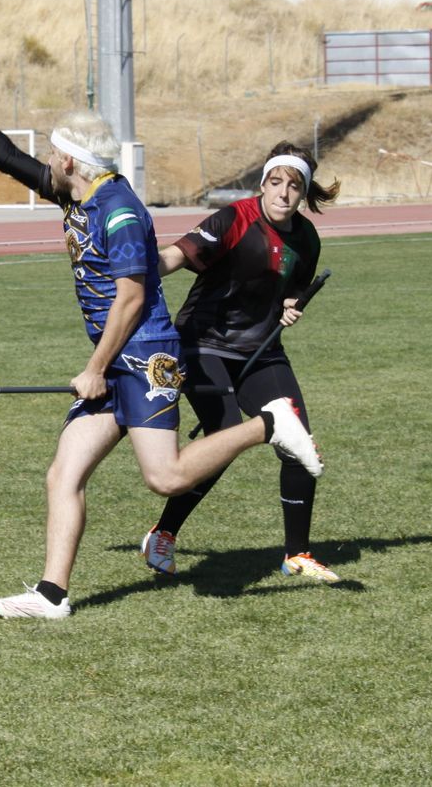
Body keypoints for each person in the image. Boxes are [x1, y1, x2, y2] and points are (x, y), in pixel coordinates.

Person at [0, 66, 323, 620]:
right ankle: (51, 596)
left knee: (165, 476)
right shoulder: (77, 190)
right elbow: (5, 157)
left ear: (68, 160)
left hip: (145, 356)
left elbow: (133, 300)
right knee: (63, 475)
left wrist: (96, 367)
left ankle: (269, 424)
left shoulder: (116, 211)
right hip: (119, 356)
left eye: (51, 154)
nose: (44, 162)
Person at [141, 142, 343, 582]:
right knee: (226, 435)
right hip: (203, 344)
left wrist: (292, 305)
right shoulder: (234, 218)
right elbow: (177, 254)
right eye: (276, 183)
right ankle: (165, 532)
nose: (283, 194)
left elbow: (292, 289)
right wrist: (139, 268)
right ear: (263, 184)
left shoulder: (307, 238)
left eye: (294, 187)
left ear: (303, 193)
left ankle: (297, 554)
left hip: (262, 350)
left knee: (299, 442)